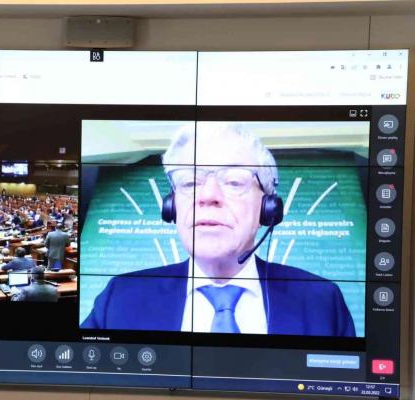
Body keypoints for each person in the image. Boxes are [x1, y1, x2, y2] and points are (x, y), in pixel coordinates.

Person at [81, 123, 355, 337]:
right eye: (190, 182)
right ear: (172, 206)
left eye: (234, 181)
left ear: (268, 207)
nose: (208, 196)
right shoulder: (120, 298)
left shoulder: (322, 301)